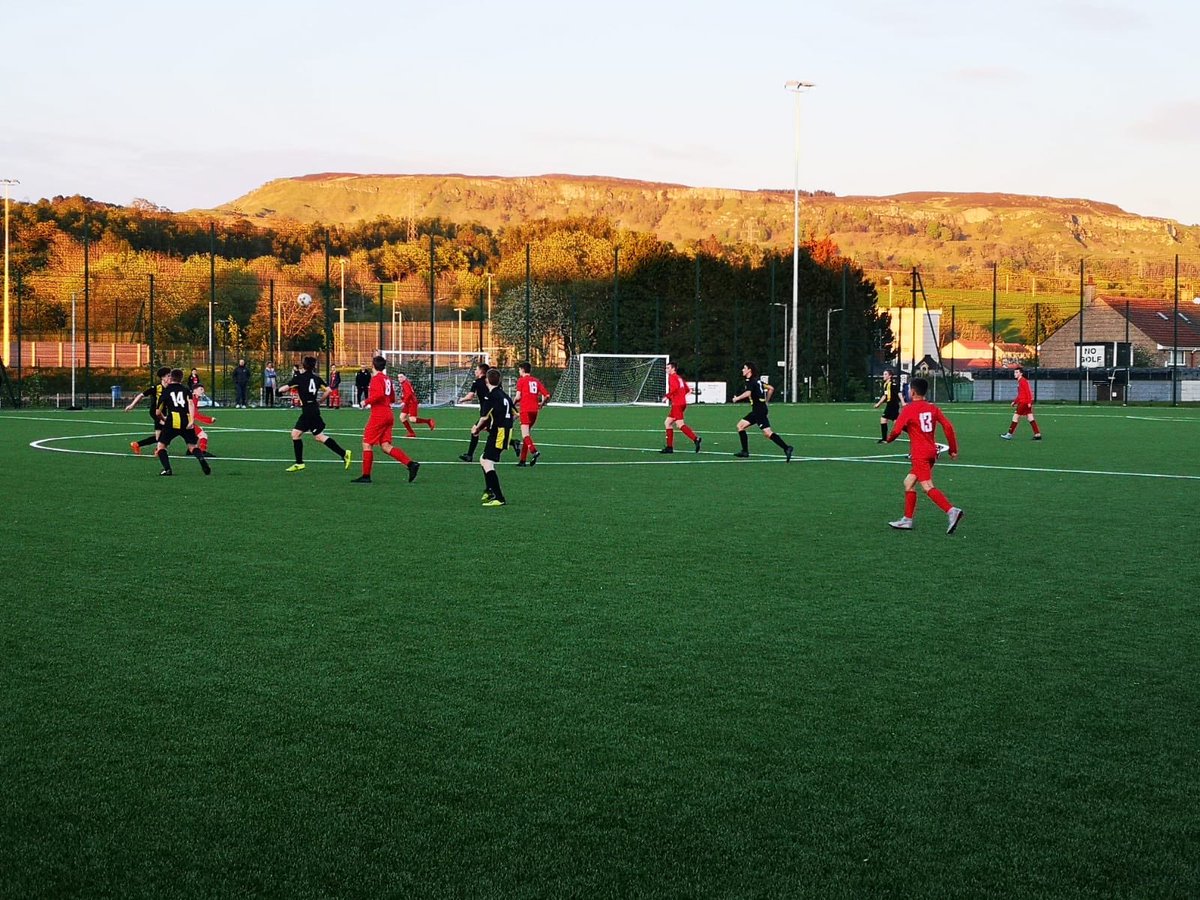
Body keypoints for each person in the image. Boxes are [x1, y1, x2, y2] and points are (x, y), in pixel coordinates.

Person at [884, 376, 963, 534]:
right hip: (931, 452)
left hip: (920, 454)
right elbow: (948, 427)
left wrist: (889, 439)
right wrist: (953, 449)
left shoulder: (908, 409)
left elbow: (896, 430)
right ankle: (907, 520)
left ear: (912, 391)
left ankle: (951, 511)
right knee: (908, 482)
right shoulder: (932, 408)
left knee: (927, 486)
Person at [278, 355, 352, 473]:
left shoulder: (299, 378)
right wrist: (320, 401)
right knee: (318, 436)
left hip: (308, 411)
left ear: (304, 365)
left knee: (296, 434)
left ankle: (299, 463)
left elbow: (283, 389)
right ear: (313, 367)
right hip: (313, 409)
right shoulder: (317, 378)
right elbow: (328, 390)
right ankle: (343, 453)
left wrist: (278, 391)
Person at [353, 355, 420, 484]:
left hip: (379, 415)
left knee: (367, 443)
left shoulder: (376, 379)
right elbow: (392, 398)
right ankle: (411, 464)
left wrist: (365, 402)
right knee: (385, 446)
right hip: (388, 414)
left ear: (373, 366)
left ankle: (366, 476)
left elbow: (378, 394)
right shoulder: (387, 379)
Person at [154, 369, 211, 477]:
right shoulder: (186, 390)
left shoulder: (166, 391)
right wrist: (191, 420)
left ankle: (167, 469)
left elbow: (157, 412)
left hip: (172, 420)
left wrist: (163, 418)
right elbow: (191, 404)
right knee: (192, 446)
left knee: (161, 446)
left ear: (171, 377)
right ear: (182, 378)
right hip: (186, 420)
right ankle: (200, 458)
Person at [732, 363, 793, 461]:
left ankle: (787, 448)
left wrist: (737, 399)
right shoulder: (758, 381)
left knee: (768, 433)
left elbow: (748, 393)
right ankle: (745, 451)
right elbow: (771, 388)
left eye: (744, 368)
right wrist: (766, 401)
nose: (742, 370)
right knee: (740, 426)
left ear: (749, 370)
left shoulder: (751, 381)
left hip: (758, 411)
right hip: (759, 409)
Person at [472, 367, 513, 506]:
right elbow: (516, 414)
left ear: (487, 381)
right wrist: (506, 423)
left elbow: (484, 418)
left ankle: (499, 498)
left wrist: (476, 429)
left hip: (499, 432)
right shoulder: (504, 395)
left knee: (488, 462)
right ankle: (490, 490)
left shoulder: (491, 396)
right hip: (503, 430)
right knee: (483, 459)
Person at [126, 366, 172, 454]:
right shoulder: (156, 388)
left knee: (159, 436)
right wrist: (132, 405)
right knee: (167, 431)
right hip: (155, 412)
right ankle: (159, 449)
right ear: (162, 378)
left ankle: (137, 444)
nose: (170, 378)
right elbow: (141, 395)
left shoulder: (171, 388)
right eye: (168, 376)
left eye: (170, 376)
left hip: (164, 412)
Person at [660, 361, 701, 454]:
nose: (666, 369)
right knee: (668, 422)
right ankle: (669, 447)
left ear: (673, 369)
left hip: (677, 404)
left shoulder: (672, 377)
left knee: (680, 424)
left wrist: (667, 396)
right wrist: (680, 396)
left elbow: (674, 388)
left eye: (668, 368)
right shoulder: (679, 378)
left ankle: (696, 439)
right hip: (682, 403)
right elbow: (687, 389)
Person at [514, 361, 551, 466]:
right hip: (534, 411)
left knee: (525, 434)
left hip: (525, 410)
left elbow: (518, 397)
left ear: (522, 370)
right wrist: (541, 404)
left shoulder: (521, 380)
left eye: (519, 370)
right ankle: (522, 460)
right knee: (527, 435)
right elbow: (547, 395)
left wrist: (512, 405)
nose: (519, 372)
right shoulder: (536, 381)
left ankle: (534, 451)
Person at [458, 361, 491, 462]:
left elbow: (470, 396)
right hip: (493, 410)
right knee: (492, 431)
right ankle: (513, 443)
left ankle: (469, 455)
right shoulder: (491, 381)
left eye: (476, 370)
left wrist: (461, 399)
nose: (475, 371)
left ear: (481, 371)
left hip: (486, 412)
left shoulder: (476, 382)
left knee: (474, 430)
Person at [1002, 365, 1042, 441]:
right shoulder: (1020, 381)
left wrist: (1029, 402)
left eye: (1017, 372)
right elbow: (1021, 394)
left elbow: (1028, 392)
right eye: (1014, 372)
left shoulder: (1023, 381)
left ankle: (1009, 434)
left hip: (1024, 403)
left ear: (1021, 373)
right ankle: (1037, 434)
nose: (1015, 374)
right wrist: (1015, 401)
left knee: (1015, 417)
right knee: (1030, 418)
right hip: (1024, 402)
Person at [397, 373, 435, 437]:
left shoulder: (405, 383)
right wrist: (403, 399)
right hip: (408, 403)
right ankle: (411, 433)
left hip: (412, 403)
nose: (400, 378)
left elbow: (409, 394)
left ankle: (428, 421)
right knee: (402, 417)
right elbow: (407, 393)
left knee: (412, 420)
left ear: (405, 377)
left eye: (401, 377)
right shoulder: (404, 383)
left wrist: (404, 402)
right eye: (398, 377)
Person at [872, 369, 904, 444]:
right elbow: (885, 396)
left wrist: (903, 402)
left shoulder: (892, 384)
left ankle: (884, 439)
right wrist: (878, 404)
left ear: (890, 376)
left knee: (884, 419)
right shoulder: (886, 384)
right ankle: (884, 439)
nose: (884, 376)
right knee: (895, 422)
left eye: (886, 374)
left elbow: (899, 393)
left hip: (893, 405)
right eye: (884, 374)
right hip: (890, 404)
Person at [189, 385, 216, 456]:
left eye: (203, 389)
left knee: (167, 435)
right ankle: (202, 451)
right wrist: (209, 420)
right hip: (185, 422)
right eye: (201, 389)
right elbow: (196, 415)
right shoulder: (193, 399)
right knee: (203, 435)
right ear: (194, 391)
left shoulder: (194, 398)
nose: (203, 391)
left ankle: (191, 450)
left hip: (183, 421)